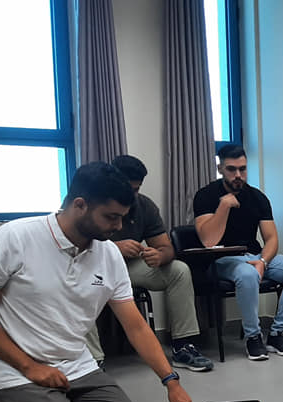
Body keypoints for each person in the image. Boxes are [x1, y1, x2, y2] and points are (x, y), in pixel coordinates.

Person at [0, 162, 198, 402]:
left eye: (122, 218)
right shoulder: (16, 237)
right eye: (111, 217)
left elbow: (136, 326)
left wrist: (171, 382)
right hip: (16, 368)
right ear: (80, 205)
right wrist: (30, 367)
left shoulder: (108, 254)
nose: (118, 227)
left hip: (76, 365)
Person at [85, 154, 213, 372]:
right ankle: (93, 362)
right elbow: (77, 250)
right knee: (81, 284)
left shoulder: (144, 206)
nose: (132, 195)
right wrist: (114, 248)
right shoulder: (92, 203)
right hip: (93, 266)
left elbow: (166, 247)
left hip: (130, 268)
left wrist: (160, 256)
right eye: (128, 189)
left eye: (137, 189)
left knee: (179, 270)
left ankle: (183, 347)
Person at [193, 145, 283, 360]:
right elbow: (209, 241)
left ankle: (277, 333)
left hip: (254, 256)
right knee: (247, 274)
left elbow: (271, 238)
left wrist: (263, 261)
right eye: (231, 169)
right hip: (221, 260)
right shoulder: (206, 196)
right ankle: (253, 337)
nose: (238, 175)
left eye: (243, 169)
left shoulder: (257, 197)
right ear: (220, 169)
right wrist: (223, 207)